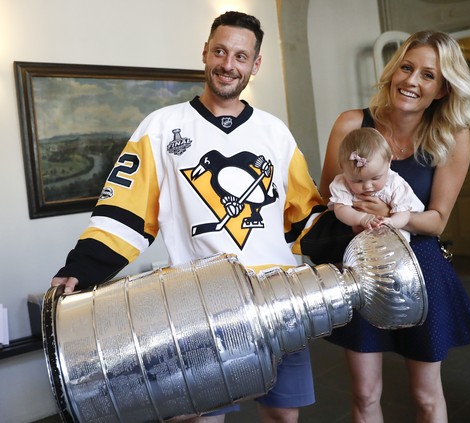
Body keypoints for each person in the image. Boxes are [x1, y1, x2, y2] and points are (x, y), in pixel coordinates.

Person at [50, 11, 335, 423]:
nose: (228, 64)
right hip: (198, 308)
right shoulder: (161, 128)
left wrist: (353, 236)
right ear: (205, 53)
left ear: (255, 65)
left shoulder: (275, 134)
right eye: (220, 51)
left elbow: (306, 220)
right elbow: (125, 214)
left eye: (241, 56)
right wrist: (81, 269)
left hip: (277, 298)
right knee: (201, 419)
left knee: (282, 417)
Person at [319, 30, 470, 423]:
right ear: (394, 71)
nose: (412, 81)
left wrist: (392, 213)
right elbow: (327, 202)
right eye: (407, 68)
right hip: (360, 267)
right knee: (364, 394)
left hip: (421, 268)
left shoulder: (451, 136)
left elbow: (437, 219)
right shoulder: (350, 124)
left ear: (443, 89)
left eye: (428, 75)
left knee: (427, 396)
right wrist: (362, 216)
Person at [328, 127, 424, 240]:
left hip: (394, 236)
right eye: (358, 181)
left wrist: (391, 221)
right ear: (343, 169)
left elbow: (404, 213)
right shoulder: (342, 183)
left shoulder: (395, 184)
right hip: (359, 239)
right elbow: (341, 210)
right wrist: (362, 218)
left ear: (389, 163)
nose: (368, 186)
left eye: (376, 178)